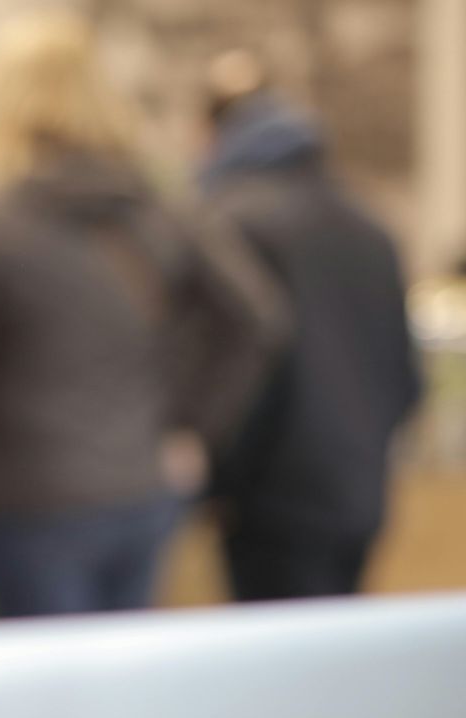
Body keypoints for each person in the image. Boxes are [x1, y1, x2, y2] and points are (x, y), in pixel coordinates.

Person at [0, 12, 279, 618]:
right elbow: (255, 318)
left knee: (46, 691)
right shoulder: (155, 206)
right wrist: (193, 430)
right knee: (122, 688)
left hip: (33, 490)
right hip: (142, 484)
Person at [198, 53, 422, 601]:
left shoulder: (230, 218)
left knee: (277, 669)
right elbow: (407, 377)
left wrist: (222, 475)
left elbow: (238, 367)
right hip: (358, 493)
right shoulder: (369, 223)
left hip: (275, 501)